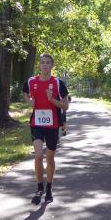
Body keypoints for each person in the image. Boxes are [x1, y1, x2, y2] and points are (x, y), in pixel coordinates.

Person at [23, 53, 70, 204]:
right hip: (36, 123)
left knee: (50, 158)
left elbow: (65, 106)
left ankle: (49, 188)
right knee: (38, 156)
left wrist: (52, 99)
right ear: (39, 65)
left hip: (52, 125)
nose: (45, 65)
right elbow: (25, 93)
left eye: (48, 62)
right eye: (42, 62)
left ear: (52, 65)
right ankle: (39, 188)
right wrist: (29, 101)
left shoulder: (58, 83)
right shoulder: (31, 81)